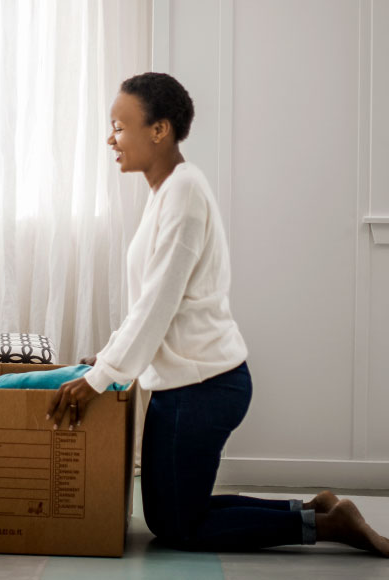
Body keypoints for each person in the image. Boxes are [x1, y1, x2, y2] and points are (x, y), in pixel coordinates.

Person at [47, 72, 389, 556]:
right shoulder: (167, 191)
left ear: (159, 130)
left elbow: (157, 306)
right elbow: (150, 301)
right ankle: (316, 509)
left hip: (203, 387)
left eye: (119, 127)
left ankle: (329, 527)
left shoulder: (184, 192)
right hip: (186, 385)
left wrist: (101, 377)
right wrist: (103, 359)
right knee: (175, 515)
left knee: (181, 527)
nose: (111, 138)